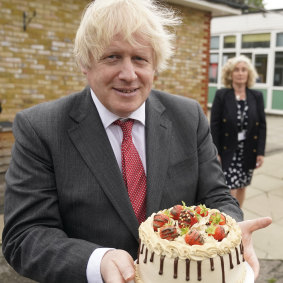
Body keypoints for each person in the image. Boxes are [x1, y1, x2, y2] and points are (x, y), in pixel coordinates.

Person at [2, 1, 271, 283]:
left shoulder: (188, 117)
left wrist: (230, 233)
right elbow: (24, 236)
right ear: (85, 62)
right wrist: (98, 261)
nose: (129, 74)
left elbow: (217, 197)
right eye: (112, 57)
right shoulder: (40, 128)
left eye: (140, 59)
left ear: (155, 64)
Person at [210, 55, 266, 208]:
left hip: (248, 149)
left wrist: (260, 152)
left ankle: (238, 216)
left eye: (244, 70)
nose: (240, 73)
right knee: (230, 188)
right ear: (230, 73)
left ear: (249, 74)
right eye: (236, 70)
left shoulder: (256, 96)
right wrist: (216, 151)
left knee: (242, 185)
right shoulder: (222, 95)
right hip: (228, 149)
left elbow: (261, 125)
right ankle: (230, 219)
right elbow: (214, 125)